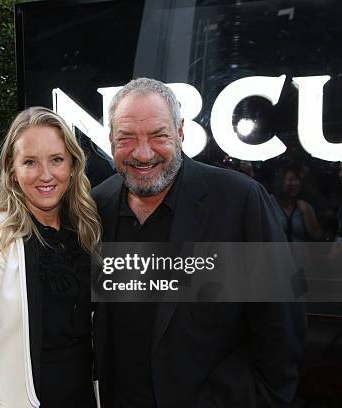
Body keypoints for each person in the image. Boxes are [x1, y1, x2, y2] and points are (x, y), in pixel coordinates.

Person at [92, 77, 306, 407]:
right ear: (111, 140)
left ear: (179, 133)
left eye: (158, 136)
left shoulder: (240, 201)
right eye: (127, 138)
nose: (143, 152)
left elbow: (282, 326)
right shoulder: (96, 207)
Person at [0, 107, 101, 408]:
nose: (45, 175)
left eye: (56, 160)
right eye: (30, 162)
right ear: (12, 169)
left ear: (73, 165)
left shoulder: (85, 229)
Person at [272, 166, 323, 241]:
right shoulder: (270, 203)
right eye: (290, 179)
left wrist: (306, 212)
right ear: (281, 181)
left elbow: (317, 236)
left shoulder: (305, 206)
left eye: (298, 179)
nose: (295, 183)